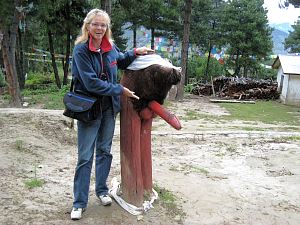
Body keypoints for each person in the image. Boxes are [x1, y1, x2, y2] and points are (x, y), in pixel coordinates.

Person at [70, 8, 153, 220]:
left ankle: (102, 190)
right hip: (89, 109)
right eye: (95, 24)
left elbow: (121, 60)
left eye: (103, 25)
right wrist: (119, 89)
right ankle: (79, 202)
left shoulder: (109, 47)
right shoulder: (81, 50)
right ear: (87, 26)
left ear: (107, 28)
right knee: (85, 156)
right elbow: (91, 82)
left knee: (105, 151)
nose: (99, 28)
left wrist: (135, 52)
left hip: (108, 109)